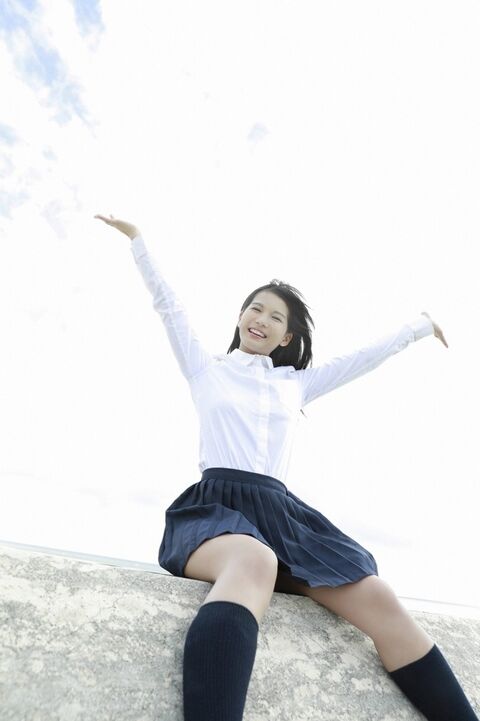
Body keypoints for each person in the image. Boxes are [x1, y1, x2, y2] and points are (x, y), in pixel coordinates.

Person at [95, 213, 478, 721]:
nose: (262, 318)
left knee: (379, 598)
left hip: (283, 519)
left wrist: (419, 327)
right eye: (255, 308)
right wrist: (137, 240)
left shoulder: (295, 385)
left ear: (285, 337)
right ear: (240, 318)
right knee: (253, 561)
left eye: (275, 317)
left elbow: (363, 358)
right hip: (217, 510)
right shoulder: (207, 369)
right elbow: (169, 307)